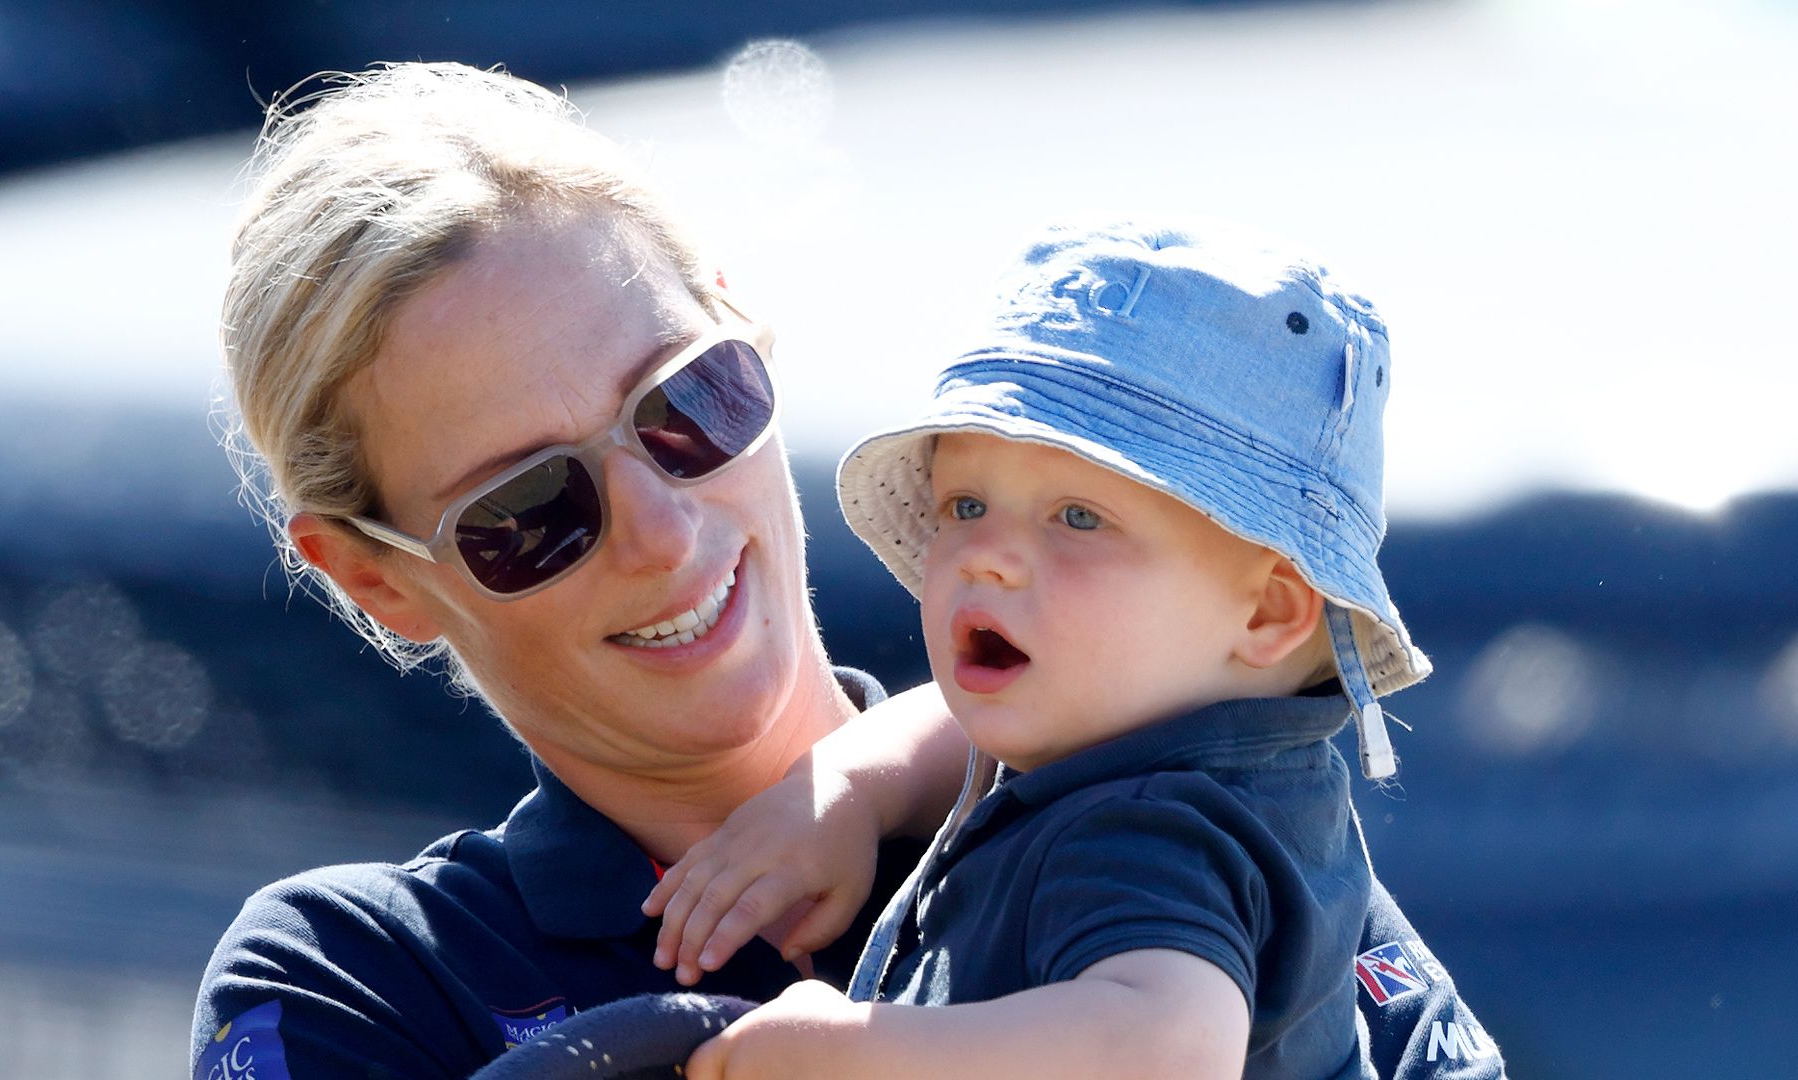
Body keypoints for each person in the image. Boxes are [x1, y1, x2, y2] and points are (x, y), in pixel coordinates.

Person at [192, 61, 1500, 1079]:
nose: (665, 532)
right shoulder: (359, 981)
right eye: (530, 508)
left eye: (688, 402)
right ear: (376, 580)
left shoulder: (1150, 777)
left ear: (749, 330)